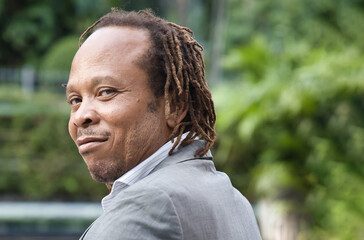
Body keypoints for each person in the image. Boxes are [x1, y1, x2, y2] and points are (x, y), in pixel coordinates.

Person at [66, 8, 262, 240]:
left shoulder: (146, 208)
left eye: (106, 92)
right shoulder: (233, 199)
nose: (80, 116)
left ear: (174, 107)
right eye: (75, 100)